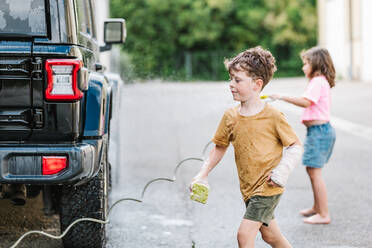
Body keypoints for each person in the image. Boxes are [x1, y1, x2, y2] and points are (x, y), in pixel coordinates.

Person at [190, 47, 303, 248]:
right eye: (231, 78)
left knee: (244, 235)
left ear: (257, 84)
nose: (231, 84)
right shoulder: (230, 117)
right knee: (271, 237)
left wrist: (282, 172)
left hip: (268, 187)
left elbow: (295, 146)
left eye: (237, 80)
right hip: (248, 189)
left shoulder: (273, 116)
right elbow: (219, 147)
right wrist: (202, 174)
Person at [269, 46, 336, 225]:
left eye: (306, 63)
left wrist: (281, 97)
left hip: (320, 132)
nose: (303, 67)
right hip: (319, 131)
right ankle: (317, 207)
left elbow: (306, 102)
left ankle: (324, 214)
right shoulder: (319, 81)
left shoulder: (317, 81)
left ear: (316, 64)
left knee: (315, 172)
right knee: (312, 170)